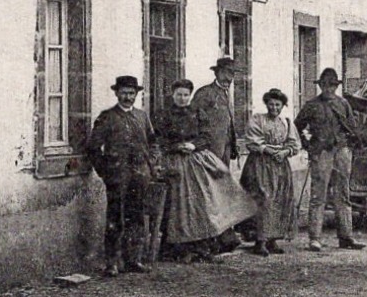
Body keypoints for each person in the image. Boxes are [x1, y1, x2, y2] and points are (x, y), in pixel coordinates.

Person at [156, 78, 256, 262]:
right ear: (173, 94)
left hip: (196, 160)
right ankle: (179, 247)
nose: (183, 98)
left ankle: (202, 245)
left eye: (186, 95)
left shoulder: (197, 112)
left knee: (203, 202)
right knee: (180, 205)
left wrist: (193, 145)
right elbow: (159, 140)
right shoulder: (164, 115)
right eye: (179, 94)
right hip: (175, 162)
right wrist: (177, 146)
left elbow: (207, 135)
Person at [85, 75, 157, 276]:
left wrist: (151, 164)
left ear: (136, 95)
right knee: (115, 218)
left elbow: (153, 143)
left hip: (140, 176)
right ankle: (112, 262)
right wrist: (106, 172)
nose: (128, 97)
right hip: (117, 177)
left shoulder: (142, 117)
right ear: (117, 93)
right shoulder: (107, 117)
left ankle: (133, 259)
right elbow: (92, 148)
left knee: (137, 218)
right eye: (124, 93)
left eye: (131, 93)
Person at [294, 68, 367, 252]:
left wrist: (349, 144)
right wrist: (308, 146)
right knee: (318, 196)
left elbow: (352, 127)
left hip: (341, 152)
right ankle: (315, 239)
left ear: (336, 86)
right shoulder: (312, 105)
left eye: (332, 85)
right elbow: (297, 126)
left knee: (343, 195)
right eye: (325, 85)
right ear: (320, 86)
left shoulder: (343, 104)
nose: (328, 89)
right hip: (321, 153)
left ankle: (346, 237)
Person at [239, 88, 301, 256]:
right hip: (260, 165)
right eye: (271, 104)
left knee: (279, 200)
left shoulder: (286, 122)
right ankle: (260, 240)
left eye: (278, 105)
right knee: (263, 199)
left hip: (280, 167)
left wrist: (285, 152)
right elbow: (252, 141)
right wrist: (268, 150)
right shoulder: (257, 120)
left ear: (283, 106)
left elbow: (294, 144)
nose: (274, 108)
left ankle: (273, 239)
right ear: (266, 104)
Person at [193, 56, 242, 251]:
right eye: (226, 73)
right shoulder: (205, 94)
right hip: (209, 152)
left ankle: (223, 236)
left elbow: (228, 124)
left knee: (222, 192)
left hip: (225, 151)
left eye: (232, 74)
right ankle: (209, 238)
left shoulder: (227, 94)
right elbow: (194, 120)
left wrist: (234, 147)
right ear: (217, 72)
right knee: (209, 193)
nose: (229, 77)